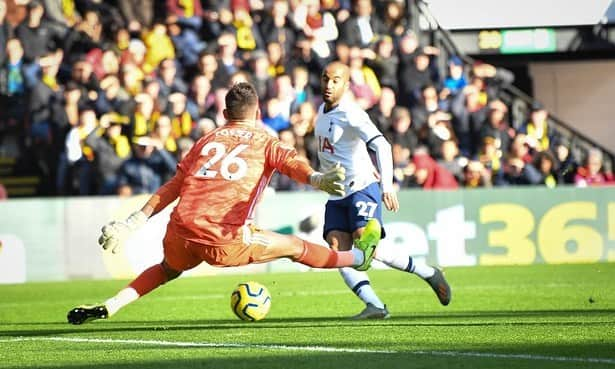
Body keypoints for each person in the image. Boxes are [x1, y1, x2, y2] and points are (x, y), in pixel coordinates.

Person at [66, 83, 380, 324]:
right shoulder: (265, 142)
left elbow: (174, 185)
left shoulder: (205, 141)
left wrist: (132, 221)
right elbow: (292, 162)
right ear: (257, 114)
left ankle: (113, 303)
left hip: (180, 231)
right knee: (294, 246)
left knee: (166, 270)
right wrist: (316, 179)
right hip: (224, 239)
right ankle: (358, 258)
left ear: (225, 115)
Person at [314, 62, 451, 320]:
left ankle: (429, 273)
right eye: (325, 79)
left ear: (346, 85)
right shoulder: (321, 110)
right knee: (338, 250)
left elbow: (382, 146)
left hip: (361, 188)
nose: (329, 85)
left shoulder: (352, 113)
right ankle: (375, 305)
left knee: (368, 245)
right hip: (336, 192)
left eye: (336, 80)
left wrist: (387, 186)